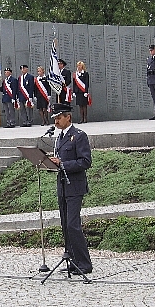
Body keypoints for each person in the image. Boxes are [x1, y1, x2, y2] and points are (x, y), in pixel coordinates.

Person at [48, 102, 93, 276]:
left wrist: (63, 164)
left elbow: (85, 161)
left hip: (75, 186)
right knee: (65, 225)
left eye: (59, 118)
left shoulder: (79, 136)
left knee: (73, 225)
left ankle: (84, 263)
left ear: (68, 117)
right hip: (62, 185)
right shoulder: (59, 137)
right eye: (55, 118)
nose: (56, 121)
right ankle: (72, 261)